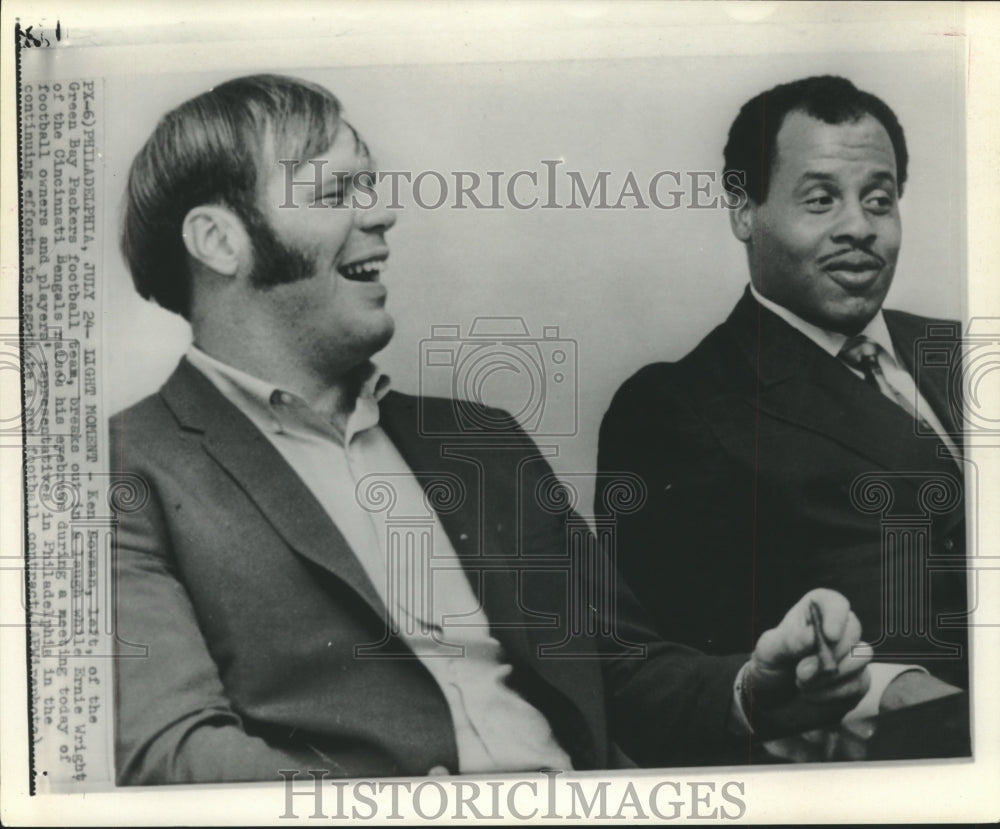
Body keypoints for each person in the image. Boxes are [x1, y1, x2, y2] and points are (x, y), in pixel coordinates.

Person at [110, 74, 872, 786]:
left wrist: (755, 688)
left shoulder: (481, 440)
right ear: (217, 241)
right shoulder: (127, 467)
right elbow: (172, 750)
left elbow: (623, 670)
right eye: (336, 188)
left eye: (368, 184)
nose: (381, 211)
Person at [597, 76, 968, 699]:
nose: (861, 227)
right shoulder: (675, 410)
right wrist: (881, 692)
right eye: (821, 200)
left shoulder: (966, 351)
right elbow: (680, 679)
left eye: (879, 200)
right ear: (745, 211)